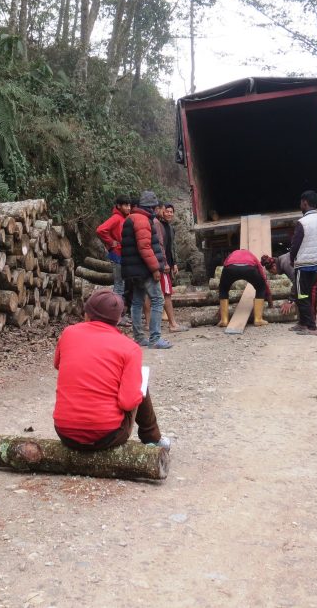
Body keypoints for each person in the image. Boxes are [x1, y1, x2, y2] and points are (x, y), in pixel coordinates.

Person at [53, 290, 170, 451]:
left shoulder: (68, 333)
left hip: (65, 433)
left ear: (87, 314)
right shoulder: (130, 347)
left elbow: (58, 364)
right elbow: (128, 403)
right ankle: (153, 438)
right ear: (118, 320)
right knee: (140, 378)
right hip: (107, 436)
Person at [121, 190, 171, 349]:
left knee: (137, 301)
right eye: (157, 207)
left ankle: (139, 337)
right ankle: (155, 338)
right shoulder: (142, 220)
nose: (158, 210)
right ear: (151, 207)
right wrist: (156, 268)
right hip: (144, 269)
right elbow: (145, 247)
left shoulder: (131, 218)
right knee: (158, 300)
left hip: (133, 269)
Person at [289, 190, 317, 336]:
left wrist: (292, 259)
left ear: (305, 202)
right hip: (314, 263)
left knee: (301, 296)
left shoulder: (303, 222)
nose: (300, 205)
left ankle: (311, 327)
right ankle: (303, 323)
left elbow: (295, 244)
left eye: (301, 202)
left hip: (303, 264)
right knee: (306, 295)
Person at [262, 248, 317, 321]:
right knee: (306, 290)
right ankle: (306, 318)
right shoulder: (282, 261)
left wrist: (290, 301)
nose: (274, 274)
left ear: (274, 266)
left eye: (272, 272)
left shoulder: (285, 263)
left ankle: (311, 320)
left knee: (313, 289)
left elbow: (296, 282)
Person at [216, 249, 273, 328]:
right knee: (260, 287)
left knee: (223, 288)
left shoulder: (232, 254)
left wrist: (222, 285)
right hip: (249, 268)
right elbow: (262, 275)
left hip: (230, 268)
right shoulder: (251, 255)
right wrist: (268, 295)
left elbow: (225, 265)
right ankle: (258, 319)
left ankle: (224, 320)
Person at [158, 202, 187, 332]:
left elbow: (171, 247)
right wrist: (164, 263)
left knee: (164, 291)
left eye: (171, 212)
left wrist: (174, 262)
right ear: (162, 211)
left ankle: (162, 318)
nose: (169, 214)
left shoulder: (170, 228)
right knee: (167, 292)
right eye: (167, 211)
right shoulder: (158, 226)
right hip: (162, 265)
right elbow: (160, 248)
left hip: (168, 264)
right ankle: (172, 324)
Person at [95, 194, 132, 298]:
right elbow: (100, 230)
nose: (128, 208)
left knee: (123, 284)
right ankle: (116, 311)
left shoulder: (125, 218)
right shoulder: (116, 218)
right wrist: (111, 242)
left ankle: (120, 310)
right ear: (119, 206)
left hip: (123, 254)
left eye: (129, 205)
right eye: (125, 205)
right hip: (117, 254)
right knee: (119, 284)